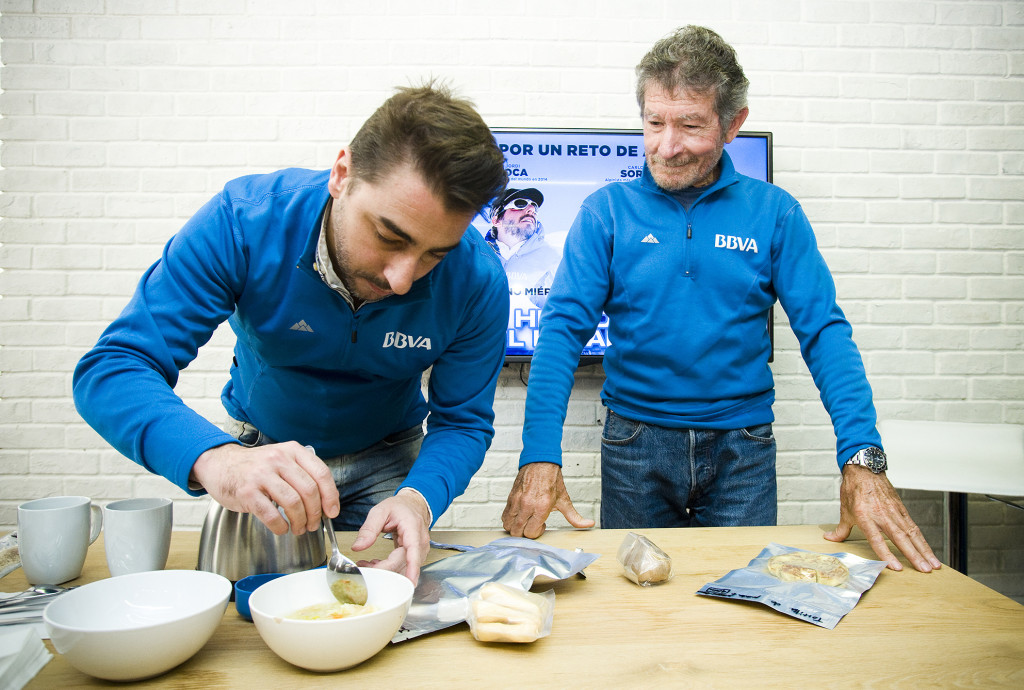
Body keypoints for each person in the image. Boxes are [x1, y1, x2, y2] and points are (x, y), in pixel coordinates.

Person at [502, 26, 941, 574]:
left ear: (733, 124)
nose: (667, 146)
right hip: (634, 446)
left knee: (746, 607)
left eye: (690, 126)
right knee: (640, 610)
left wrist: (863, 458)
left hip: (743, 449)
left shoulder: (775, 212)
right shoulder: (605, 212)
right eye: (654, 123)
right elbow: (563, 331)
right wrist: (540, 455)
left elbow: (824, 332)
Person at [73, 83, 510, 585]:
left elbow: (462, 423)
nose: (403, 279)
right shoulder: (244, 222)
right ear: (342, 175)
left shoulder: (478, 278)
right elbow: (113, 368)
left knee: (390, 617)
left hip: (391, 462)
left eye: (436, 254)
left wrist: (420, 498)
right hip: (262, 453)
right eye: (390, 236)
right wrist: (221, 461)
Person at [486, 187, 561, 309]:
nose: (531, 209)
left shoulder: (556, 260)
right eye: (520, 204)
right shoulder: (476, 258)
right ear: (496, 220)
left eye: (534, 207)